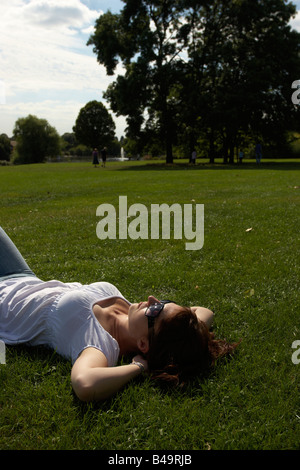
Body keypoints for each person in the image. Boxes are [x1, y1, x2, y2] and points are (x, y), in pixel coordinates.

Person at [0, 227, 239, 402]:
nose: (153, 299)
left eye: (156, 309)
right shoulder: (130, 312)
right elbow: (205, 312)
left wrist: (138, 367)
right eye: (165, 302)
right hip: (22, 277)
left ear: (143, 343)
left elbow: (85, 384)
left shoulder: (98, 344)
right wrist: (190, 333)